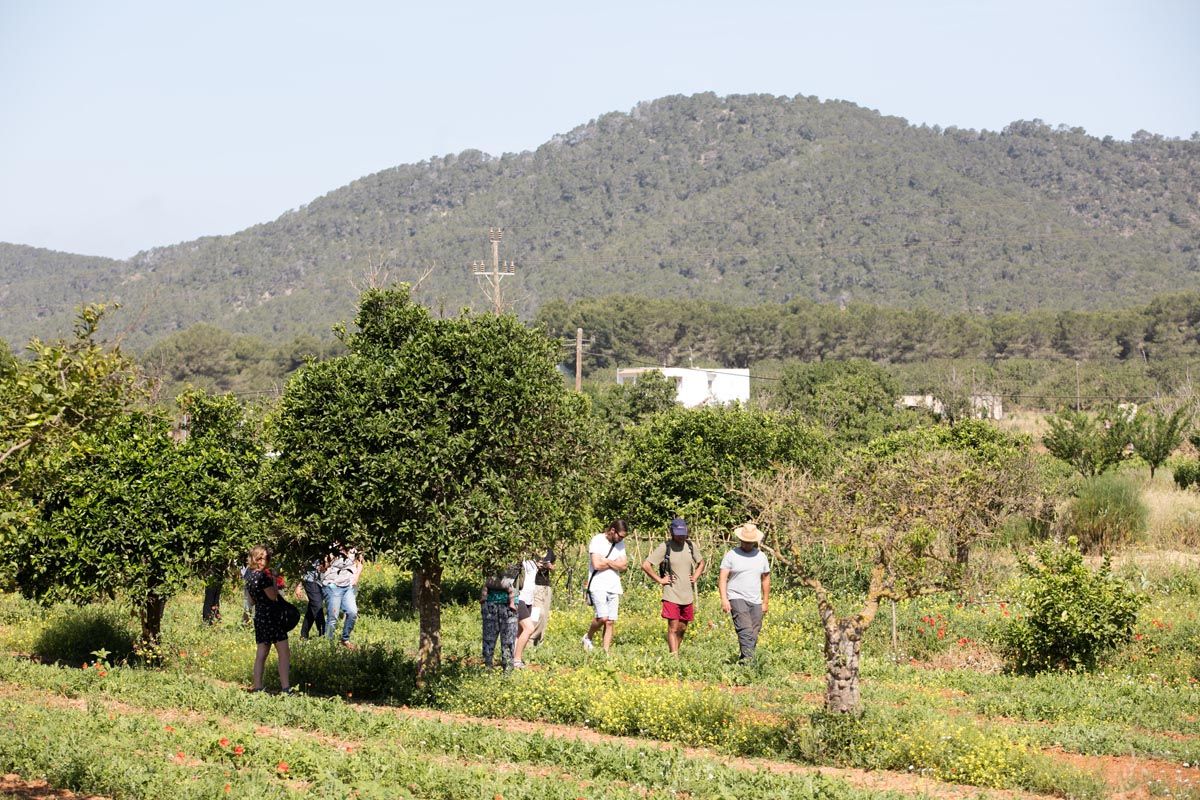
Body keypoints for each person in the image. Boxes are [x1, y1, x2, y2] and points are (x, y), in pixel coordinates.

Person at [641, 517, 705, 655]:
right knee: (673, 627)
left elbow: (701, 563)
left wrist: (695, 577)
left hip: (687, 594)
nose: (681, 536)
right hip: (671, 593)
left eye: (683, 533)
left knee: (682, 628)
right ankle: (673, 657)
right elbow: (646, 565)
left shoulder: (690, 546)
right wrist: (660, 580)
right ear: (671, 532)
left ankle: (675, 651)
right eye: (678, 533)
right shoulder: (665, 547)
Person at [718, 522, 771, 663]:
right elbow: (723, 578)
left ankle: (744, 659)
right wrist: (724, 599)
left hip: (755, 599)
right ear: (741, 540)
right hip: (736, 596)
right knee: (745, 629)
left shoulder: (761, 557)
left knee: (754, 630)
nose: (747, 545)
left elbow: (766, 579)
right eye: (745, 542)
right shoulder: (731, 555)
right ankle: (749, 660)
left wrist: (765, 601)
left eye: (750, 542)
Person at [245, 545, 291, 693]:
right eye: (260, 558)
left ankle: (257, 686)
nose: (264, 561)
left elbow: (251, 600)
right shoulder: (264, 576)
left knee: (261, 653)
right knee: (283, 652)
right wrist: (274, 580)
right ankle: (285, 687)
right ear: (255, 558)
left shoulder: (249, 576)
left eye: (266, 558)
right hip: (272, 616)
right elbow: (273, 595)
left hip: (260, 616)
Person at [582, 519, 628, 654]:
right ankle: (588, 636)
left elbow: (624, 566)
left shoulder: (621, 543)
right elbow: (596, 565)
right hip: (598, 584)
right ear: (612, 531)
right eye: (620, 536)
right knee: (603, 617)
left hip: (614, 586)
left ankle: (605, 652)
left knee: (610, 621)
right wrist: (615, 563)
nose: (621, 539)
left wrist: (607, 561)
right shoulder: (597, 540)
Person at [322, 541, 363, 649]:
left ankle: (345, 639)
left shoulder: (354, 547)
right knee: (333, 616)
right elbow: (324, 565)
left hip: (347, 586)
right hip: (333, 585)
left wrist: (356, 577)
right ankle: (328, 643)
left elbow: (360, 563)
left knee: (352, 612)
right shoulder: (332, 547)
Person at [480, 563, 519, 669]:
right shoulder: (517, 556)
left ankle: (488, 668)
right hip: (503, 606)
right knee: (507, 640)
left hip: (491, 604)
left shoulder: (490, 558)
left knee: (489, 639)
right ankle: (506, 670)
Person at [512, 554, 544, 668]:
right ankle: (517, 659)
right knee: (529, 628)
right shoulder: (520, 558)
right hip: (519, 597)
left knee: (520, 632)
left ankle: (512, 658)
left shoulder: (533, 559)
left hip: (529, 599)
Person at [529, 547, 555, 646]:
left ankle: (539, 642)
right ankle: (530, 640)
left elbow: (554, 567)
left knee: (545, 617)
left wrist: (550, 566)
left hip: (546, 587)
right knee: (538, 614)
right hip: (535, 586)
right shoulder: (531, 551)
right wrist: (536, 566)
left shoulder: (549, 550)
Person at [298, 554, 325, 639]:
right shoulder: (309, 548)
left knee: (313, 607)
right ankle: (323, 633)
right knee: (317, 605)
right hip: (310, 580)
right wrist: (299, 584)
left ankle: (304, 634)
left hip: (322, 581)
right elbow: (302, 565)